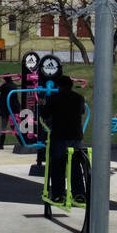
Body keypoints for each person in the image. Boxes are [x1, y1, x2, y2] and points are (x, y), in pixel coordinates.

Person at [40, 75, 87, 204]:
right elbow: (82, 111)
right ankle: (79, 194)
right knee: (75, 166)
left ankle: (58, 195)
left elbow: (45, 114)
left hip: (59, 135)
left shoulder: (54, 98)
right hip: (75, 136)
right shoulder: (79, 98)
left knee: (58, 165)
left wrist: (42, 105)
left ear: (58, 86)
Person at [0, 75, 17, 148]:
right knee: (14, 126)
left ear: (5, 79)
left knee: (3, 127)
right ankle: (21, 140)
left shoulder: (5, 86)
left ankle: (1, 144)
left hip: (5, 109)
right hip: (14, 109)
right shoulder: (14, 85)